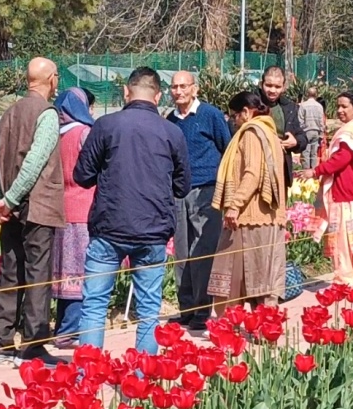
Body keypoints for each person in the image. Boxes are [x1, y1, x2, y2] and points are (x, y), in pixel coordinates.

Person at [74, 67, 190, 354]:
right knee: (149, 309)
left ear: (126, 92)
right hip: (153, 229)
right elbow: (182, 186)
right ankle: (142, 379)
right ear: (159, 96)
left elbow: (82, 175)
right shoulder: (172, 132)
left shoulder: (106, 125)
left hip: (109, 227)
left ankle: (88, 380)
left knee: (94, 305)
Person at [0, 58, 66, 367]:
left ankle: (0, 341)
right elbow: (35, 161)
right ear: (51, 80)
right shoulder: (45, 114)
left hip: (9, 209)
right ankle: (33, 346)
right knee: (37, 275)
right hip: (36, 208)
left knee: (9, 271)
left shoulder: (10, 112)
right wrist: (12, 198)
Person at [207, 91, 287, 309]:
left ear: (245, 112)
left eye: (234, 116)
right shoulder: (270, 132)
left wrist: (234, 205)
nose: (233, 121)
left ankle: (232, 329)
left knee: (238, 275)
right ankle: (264, 331)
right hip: (267, 215)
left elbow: (252, 174)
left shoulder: (252, 132)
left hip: (251, 216)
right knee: (263, 278)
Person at [166, 70, 232, 331]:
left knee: (202, 251)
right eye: (174, 87)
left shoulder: (211, 115)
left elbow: (227, 149)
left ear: (195, 89)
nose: (178, 91)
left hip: (207, 190)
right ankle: (186, 309)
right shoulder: (170, 119)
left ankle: (202, 311)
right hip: (179, 191)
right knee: (181, 252)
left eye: (183, 86)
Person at [298, 91, 353, 288]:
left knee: (344, 242)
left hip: (346, 194)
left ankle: (344, 282)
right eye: (338, 106)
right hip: (351, 194)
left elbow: (342, 159)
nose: (340, 110)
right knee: (352, 240)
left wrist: (315, 171)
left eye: (345, 106)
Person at [51, 88, 97, 348]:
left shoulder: (56, 135)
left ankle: (62, 325)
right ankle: (70, 329)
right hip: (84, 207)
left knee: (64, 270)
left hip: (60, 207)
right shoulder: (84, 134)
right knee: (79, 271)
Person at [257, 66, 308, 191]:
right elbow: (234, 128)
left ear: (284, 87)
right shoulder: (250, 103)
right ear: (261, 84)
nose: (272, 90)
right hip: (256, 168)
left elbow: (302, 136)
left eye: (277, 87)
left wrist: (295, 141)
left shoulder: (289, 107)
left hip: (281, 169)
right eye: (268, 85)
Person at [299, 87, 326, 168]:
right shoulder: (319, 106)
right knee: (314, 153)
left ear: (307, 94)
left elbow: (300, 119)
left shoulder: (303, 105)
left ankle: (305, 171)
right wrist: (321, 133)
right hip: (316, 131)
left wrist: (301, 131)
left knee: (306, 152)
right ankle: (313, 171)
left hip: (306, 131)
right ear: (316, 95)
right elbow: (322, 121)